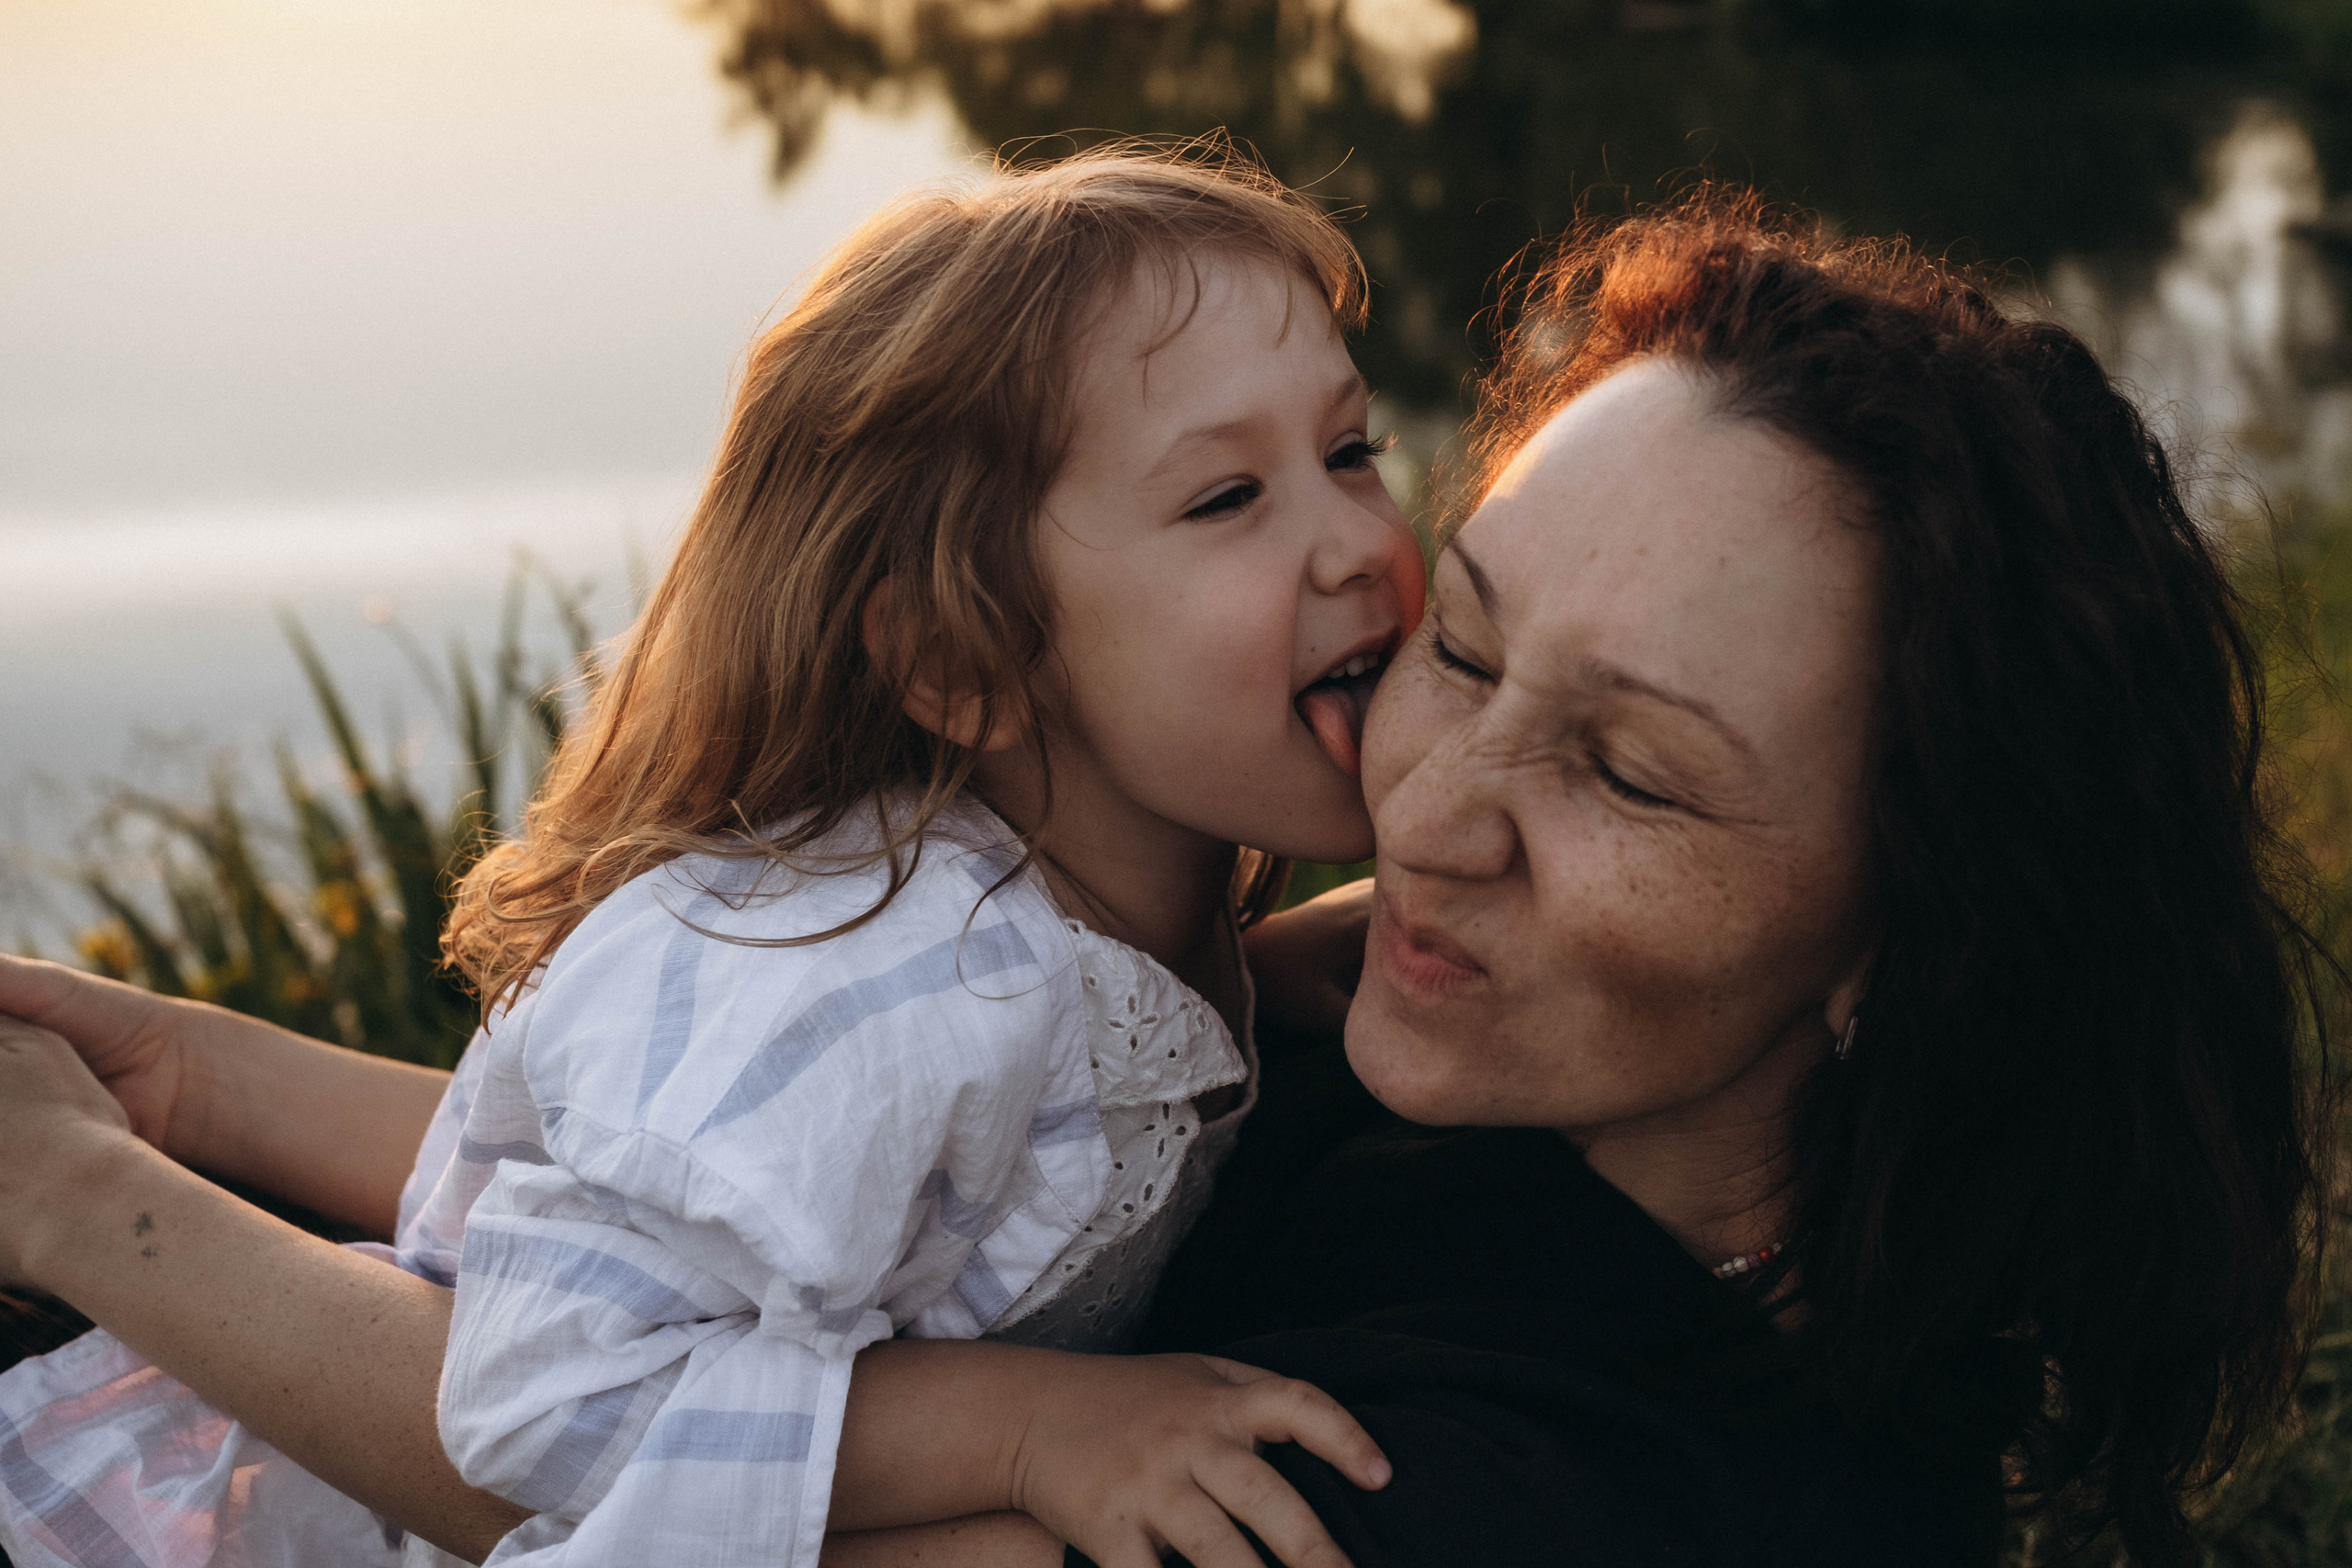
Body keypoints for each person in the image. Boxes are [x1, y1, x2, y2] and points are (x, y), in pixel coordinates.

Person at [0, 188, 2327, 1568]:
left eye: (1623, 770)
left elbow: (559, 1425)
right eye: (1469, 638)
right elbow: (695, 1207)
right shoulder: (1332, 1017)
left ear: (1910, 932)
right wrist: (189, 1082)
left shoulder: (1508, 1486)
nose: (1425, 808)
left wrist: (92, 1188)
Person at [0, 141, 1420, 1568]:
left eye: (1351, 450)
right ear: (960, 660)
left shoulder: (1097, 927)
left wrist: (1294, 963)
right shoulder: (880, 979)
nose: (1359, 539)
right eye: (1225, 499)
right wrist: (1029, 1429)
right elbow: (540, 1395)